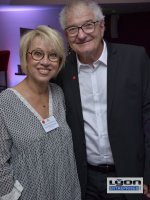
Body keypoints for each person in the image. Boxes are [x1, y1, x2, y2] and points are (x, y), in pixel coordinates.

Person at [55, 0, 150, 199]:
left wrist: (147, 176)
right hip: (85, 179)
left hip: (125, 176)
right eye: (73, 29)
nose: (81, 34)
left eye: (88, 24)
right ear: (66, 35)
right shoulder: (62, 71)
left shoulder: (134, 59)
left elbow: (148, 118)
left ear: (102, 25)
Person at [0, 25, 81, 200]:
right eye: (37, 53)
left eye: (53, 55)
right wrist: (12, 196)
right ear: (25, 57)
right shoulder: (5, 102)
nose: (45, 61)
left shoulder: (58, 93)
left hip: (66, 191)